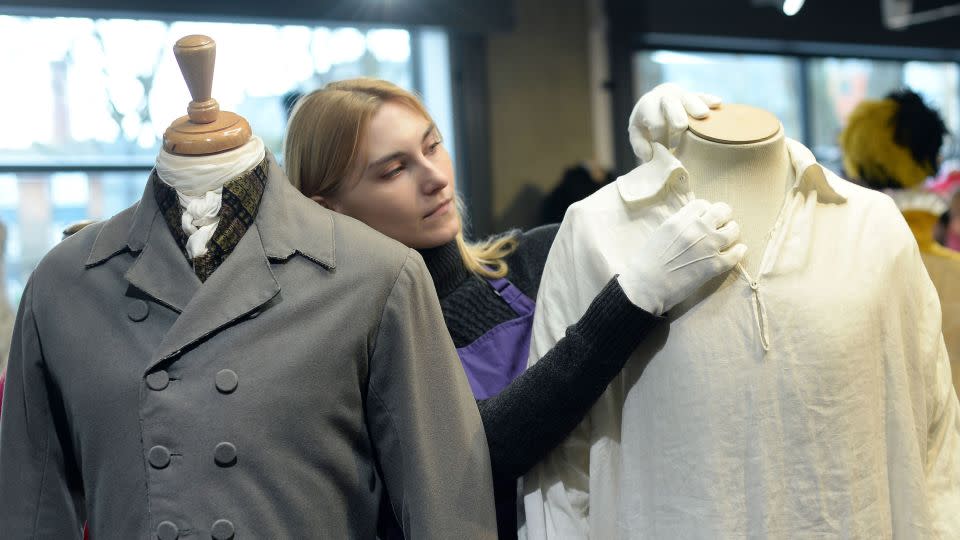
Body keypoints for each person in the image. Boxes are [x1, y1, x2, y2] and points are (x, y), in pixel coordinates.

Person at [283, 78, 746, 538]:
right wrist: (632, 299)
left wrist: (680, 149)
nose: (437, 177)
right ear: (331, 210)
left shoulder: (542, 256)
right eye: (394, 170)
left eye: (433, 146)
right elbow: (478, 456)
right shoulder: (352, 357)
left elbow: (708, 237)